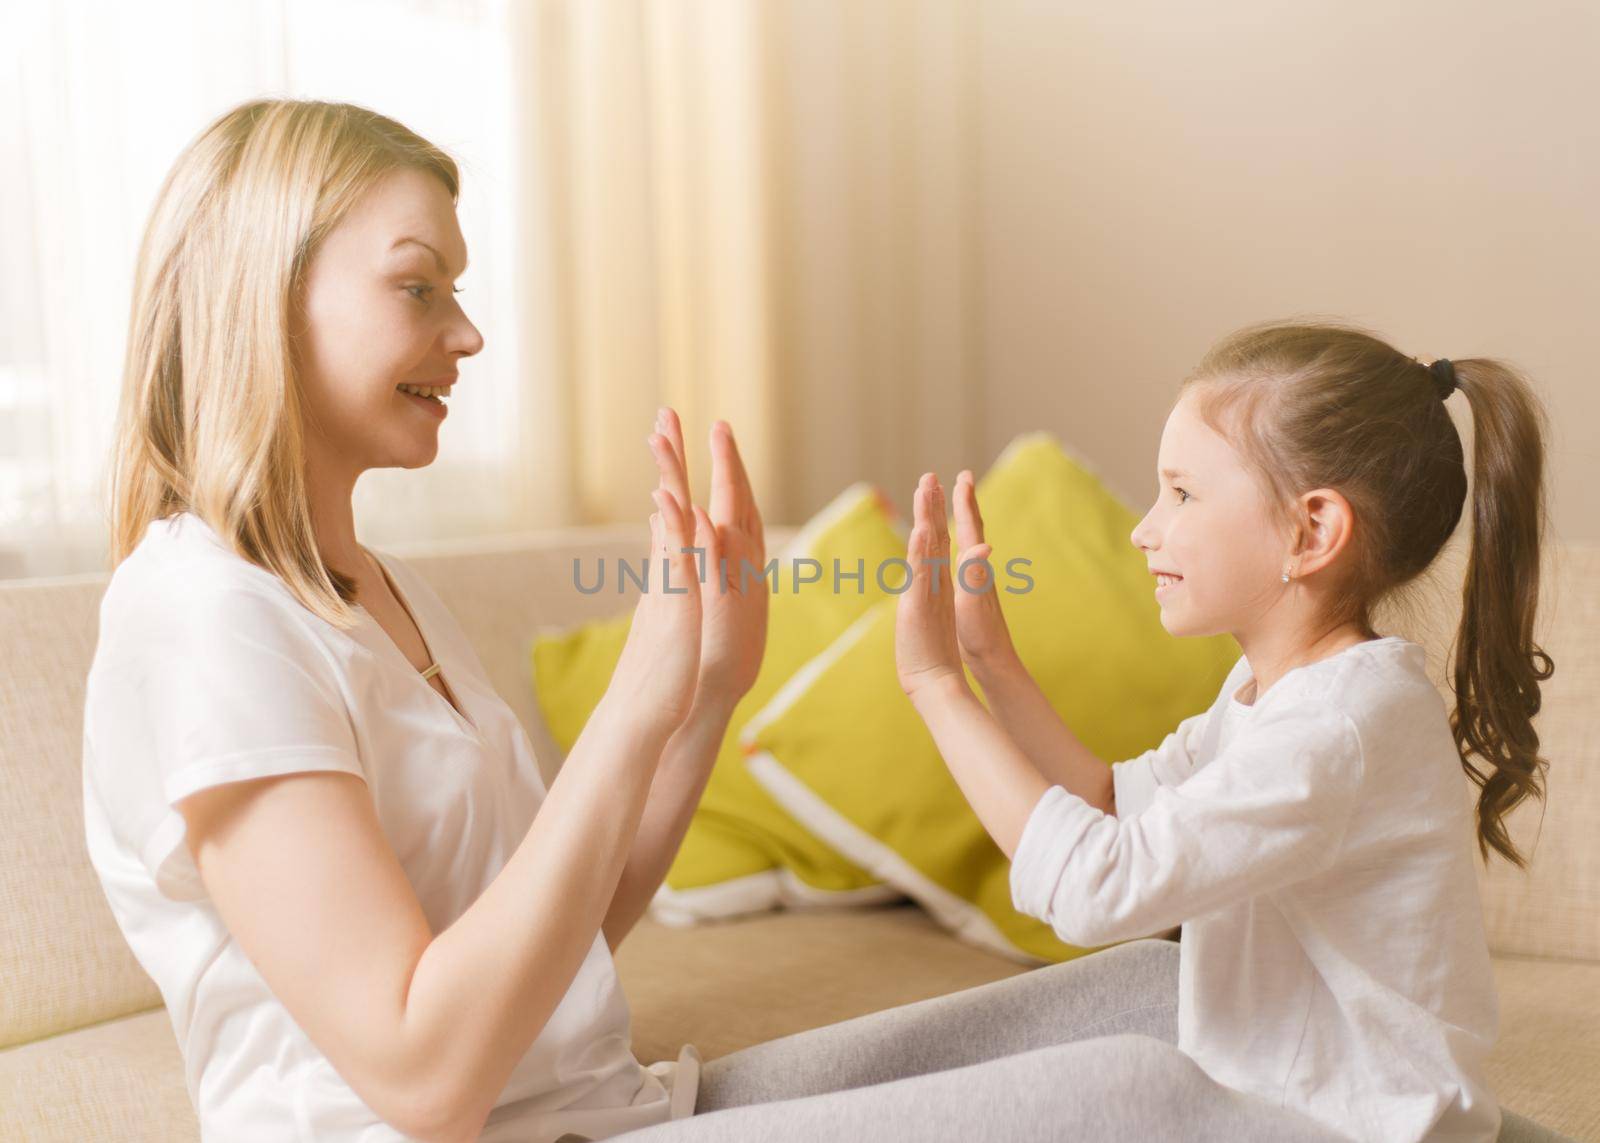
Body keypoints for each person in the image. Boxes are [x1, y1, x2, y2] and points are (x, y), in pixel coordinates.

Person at [84, 97, 769, 1142]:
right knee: (1113, 1087)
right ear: (262, 298)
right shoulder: (204, 615)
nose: (468, 332)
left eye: (457, 288)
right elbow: (425, 1078)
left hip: (603, 1110)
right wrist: (633, 698)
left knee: (1111, 1018)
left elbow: (558, 943)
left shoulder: (384, 592)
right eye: (417, 286)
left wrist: (706, 692)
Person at [889, 321, 1556, 1143]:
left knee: (1106, 1073)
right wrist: (992, 665)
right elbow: (1114, 805)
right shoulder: (1268, 690)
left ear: (1312, 531)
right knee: (1127, 998)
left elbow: (1099, 890)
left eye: (1182, 493)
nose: (1146, 527)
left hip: (1350, 1129)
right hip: (1269, 1104)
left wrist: (934, 685)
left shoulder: (1339, 725)